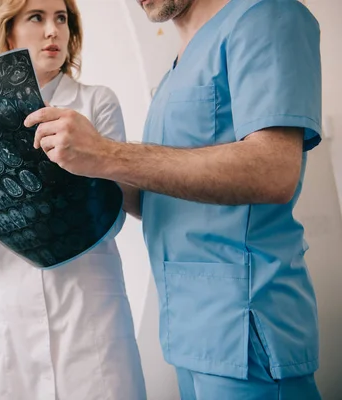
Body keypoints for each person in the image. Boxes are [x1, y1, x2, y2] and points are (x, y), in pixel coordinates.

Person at [24, 0, 322, 399]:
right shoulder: (174, 73)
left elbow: (274, 170)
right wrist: (79, 168)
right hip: (189, 329)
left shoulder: (266, 16)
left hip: (247, 327)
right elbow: (156, 201)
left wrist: (108, 153)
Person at [0, 0, 146, 398]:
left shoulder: (95, 103)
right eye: (37, 18)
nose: (53, 31)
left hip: (87, 303)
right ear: (9, 31)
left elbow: (114, 215)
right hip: (12, 310)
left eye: (61, 19)